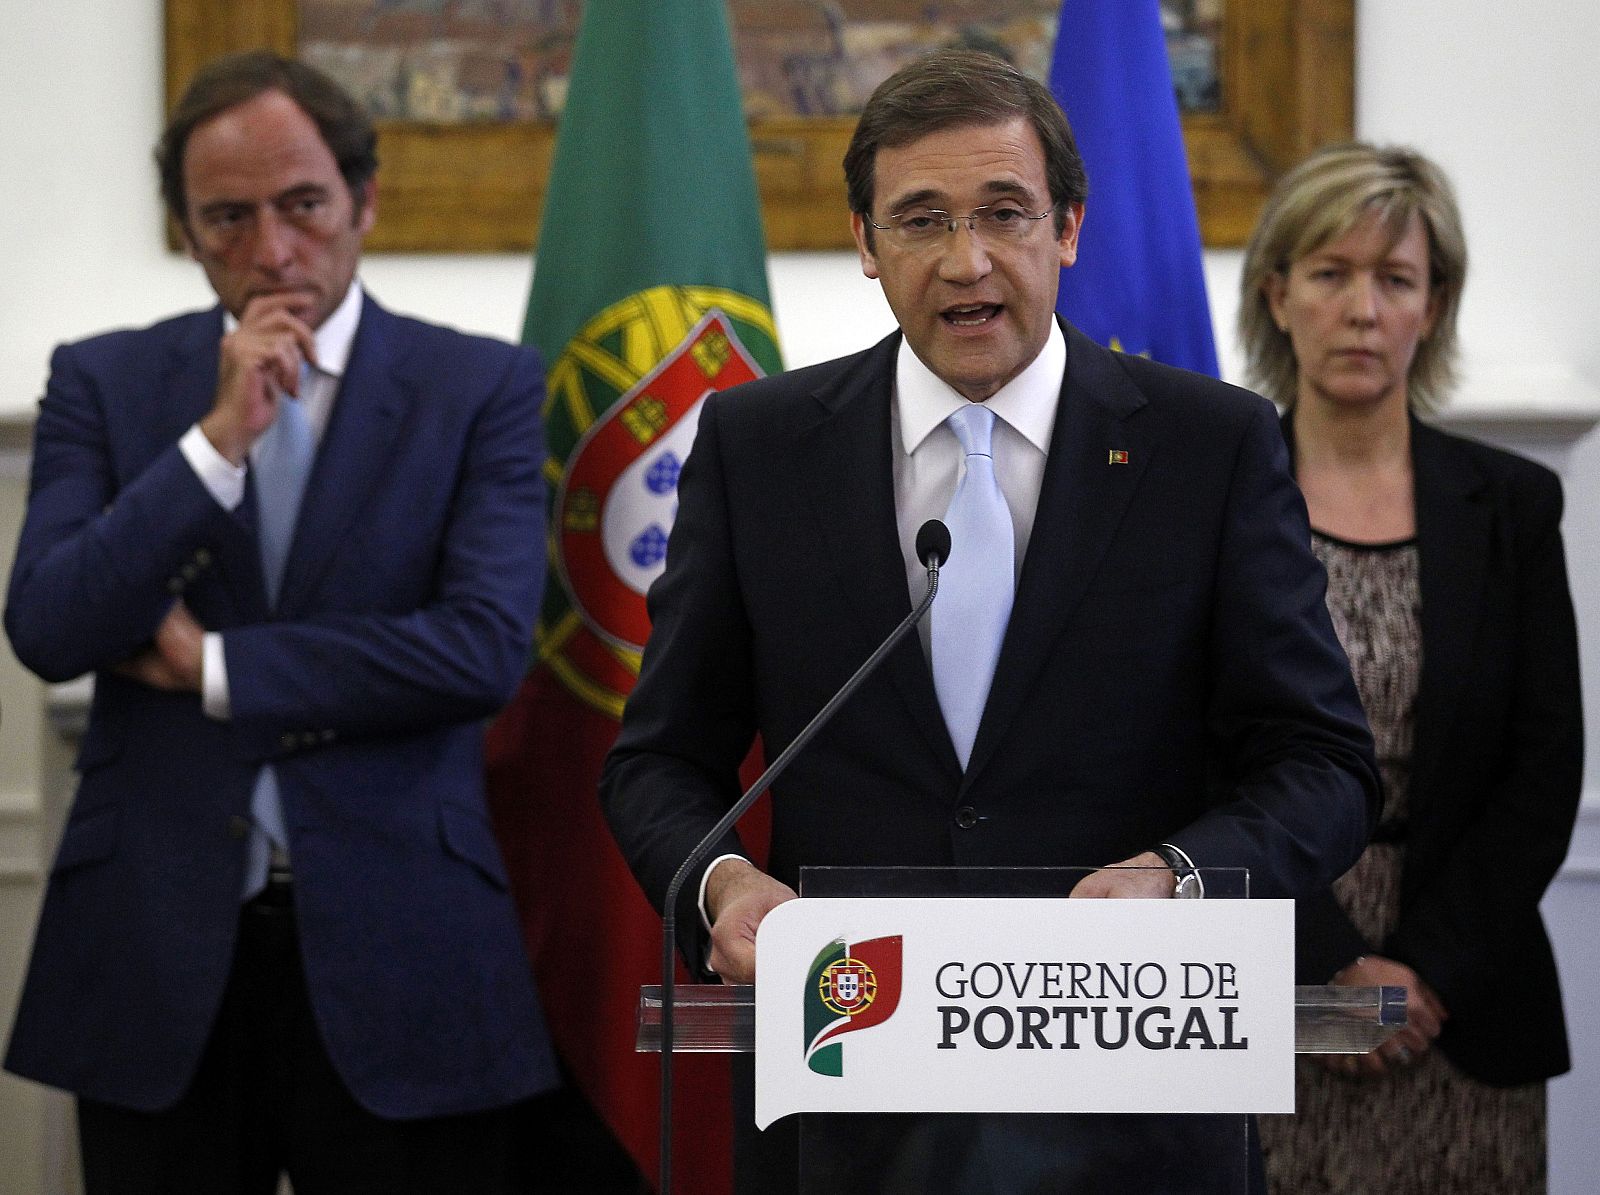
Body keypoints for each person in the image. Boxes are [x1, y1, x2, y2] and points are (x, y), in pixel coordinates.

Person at [600, 49, 1380, 1194]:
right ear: (865, 245)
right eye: (921, 220)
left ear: (1067, 226)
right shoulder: (759, 449)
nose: (967, 262)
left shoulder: (1206, 447)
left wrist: (1180, 874)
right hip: (851, 1098)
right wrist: (722, 887)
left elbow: (1322, 765)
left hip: (1134, 1102)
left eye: (1004, 213)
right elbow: (657, 763)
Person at [3, 51, 558, 1193]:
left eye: (302, 206)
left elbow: (479, 647)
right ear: (187, 228)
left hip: (407, 942)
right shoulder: (103, 383)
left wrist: (215, 665)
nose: (270, 251)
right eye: (228, 218)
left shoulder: (481, 388)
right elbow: (52, 623)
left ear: (364, 199)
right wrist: (214, 445)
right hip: (155, 954)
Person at [1241, 143, 1583, 1193]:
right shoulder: (1212, 498)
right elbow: (1193, 757)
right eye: (1331, 273)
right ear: (1278, 295)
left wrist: (1419, 969)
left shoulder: (1510, 506)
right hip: (1270, 985)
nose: (1361, 309)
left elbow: (1542, 767)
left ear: (1432, 308)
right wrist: (1331, 965)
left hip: (1467, 1000)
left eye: (1394, 279)